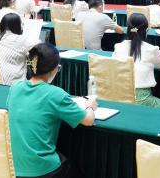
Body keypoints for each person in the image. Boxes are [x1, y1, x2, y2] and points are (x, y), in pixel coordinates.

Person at [7, 43, 95, 177]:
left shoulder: (15, 88)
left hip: (12, 167)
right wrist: (90, 106)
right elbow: (88, 120)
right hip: (42, 169)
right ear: (53, 69)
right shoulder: (56, 94)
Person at [113, 13, 160, 108]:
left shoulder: (118, 47)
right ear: (146, 30)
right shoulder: (151, 49)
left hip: (119, 94)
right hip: (141, 98)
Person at [0, 13, 41, 85]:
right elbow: (40, 45)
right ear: (17, 25)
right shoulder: (21, 39)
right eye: (21, 23)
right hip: (13, 83)